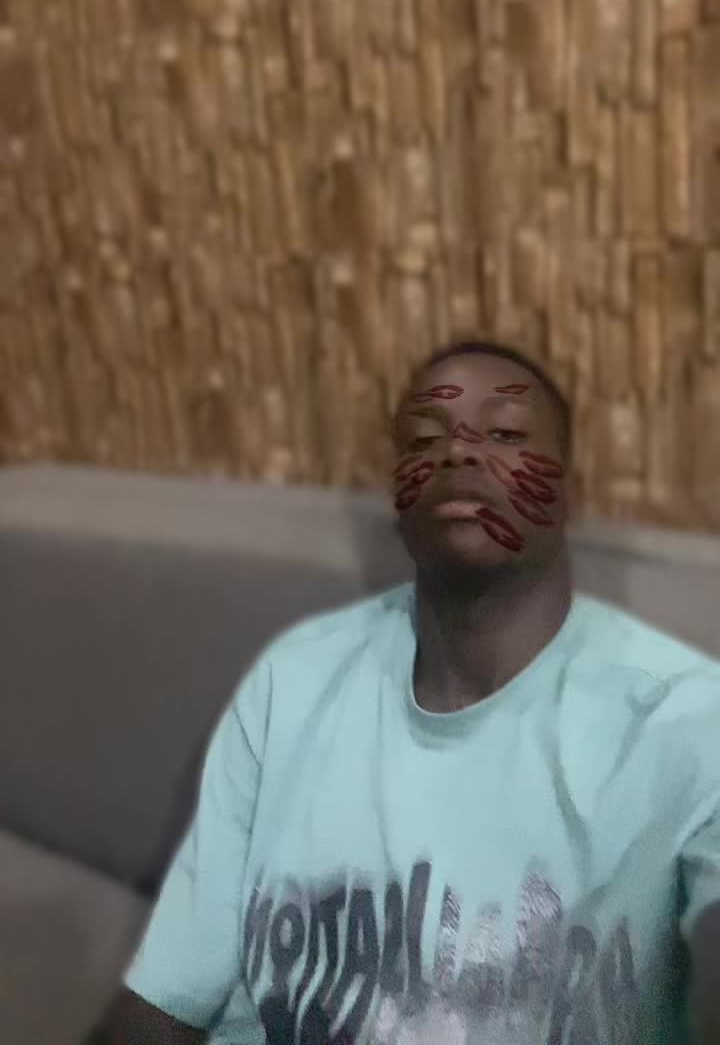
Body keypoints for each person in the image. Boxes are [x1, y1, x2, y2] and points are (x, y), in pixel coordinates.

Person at [104, 341, 720, 1044]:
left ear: (570, 491)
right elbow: (168, 998)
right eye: (426, 438)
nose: (459, 451)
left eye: (505, 433)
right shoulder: (293, 679)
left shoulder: (686, 722)